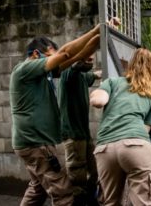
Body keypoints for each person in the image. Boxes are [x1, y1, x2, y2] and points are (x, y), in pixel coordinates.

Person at [10, 19, 115, 205]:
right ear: (36, 54)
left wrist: (102, 35)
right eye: (50, 55)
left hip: (33, 142)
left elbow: (75, 57)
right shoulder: (24, 70)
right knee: (63, 192)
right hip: (35, 143)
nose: (54, 58)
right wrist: (95, 30)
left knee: (38, 188)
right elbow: (66, 53)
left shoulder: (43, 74)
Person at [89, 48, 151, 205]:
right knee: (145, 201)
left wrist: (99, 95)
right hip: (136, 145)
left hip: (105, 149)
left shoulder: (112, 82)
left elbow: (98, 100)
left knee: (110, 201)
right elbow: (145, 129)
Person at [58, 54, 102, 205]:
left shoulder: (82, 77)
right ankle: (79, 201)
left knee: (96, 169)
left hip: (84, 134)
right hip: (73, 134)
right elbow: (74, 67)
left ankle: (89, 199)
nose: (91, 58)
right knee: (77, 177)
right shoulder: (68, 74)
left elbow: (93, 75)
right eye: (87, 57)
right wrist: (81, 57)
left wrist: (102, 73)